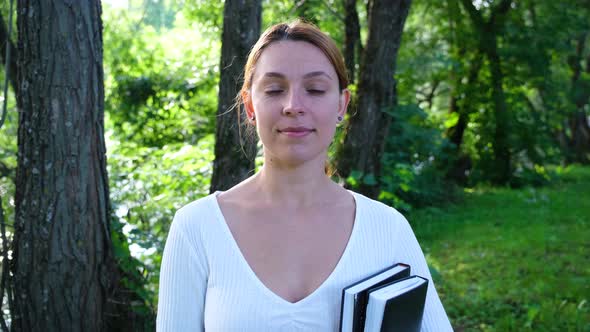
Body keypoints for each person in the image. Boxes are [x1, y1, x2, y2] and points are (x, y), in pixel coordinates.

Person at [157, 20, 453, 331]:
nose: (293, 106)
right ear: (249, 106)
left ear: (341, 104)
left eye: (314, 89)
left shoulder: (387, 230)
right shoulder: (197, 228)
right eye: (274, 89)